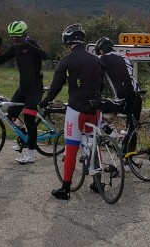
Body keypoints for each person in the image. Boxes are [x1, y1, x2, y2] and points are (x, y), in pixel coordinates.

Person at [40, 24, 106, 200]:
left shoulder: (67, 60)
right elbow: (101, 86)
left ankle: (66, 188)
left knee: (71, 148)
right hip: (96, 109)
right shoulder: (97, 60)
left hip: (76, 109)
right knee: (93, 145)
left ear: (68, 43)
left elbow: (56, 86)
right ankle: (97, 183)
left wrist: (45, 101)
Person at [0, 20, 49, 164]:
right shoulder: (16, 47)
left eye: (17, 37)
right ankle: (24, 139)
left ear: (24, 34)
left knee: (29, 119)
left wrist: (30, 45)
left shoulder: (32, 44)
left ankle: (31, 155)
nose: (15, 40)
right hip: (23, 87)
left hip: (35, 88)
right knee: (12, 115)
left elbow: (46, 55)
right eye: (13, 37)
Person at [94, 37, 141, 151]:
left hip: (122, 99)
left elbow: (99, 81)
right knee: (132, 128)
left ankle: (111, 133)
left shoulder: (102, 58)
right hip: (137, 96)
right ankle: (128, 155)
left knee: (93, 109)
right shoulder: (124, 56)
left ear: (101, 50)